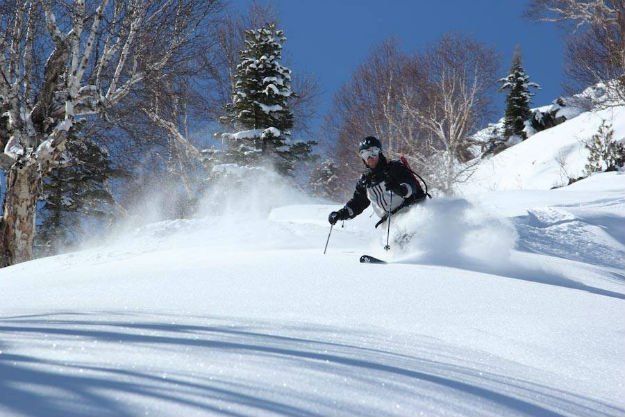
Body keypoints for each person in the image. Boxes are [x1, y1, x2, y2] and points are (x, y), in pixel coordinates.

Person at [328, 136, 426, 228]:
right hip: (390, 224)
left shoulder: (394, 167)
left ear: (379, 152)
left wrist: (401, 189)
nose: (369, 158)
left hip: (409, 213)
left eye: (373, 152)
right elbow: (358, 202)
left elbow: (411, 185)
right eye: (365, 154)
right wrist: (341, 214)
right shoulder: (365, 181)